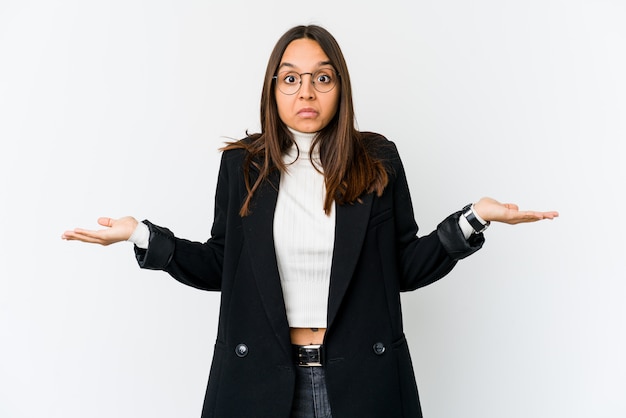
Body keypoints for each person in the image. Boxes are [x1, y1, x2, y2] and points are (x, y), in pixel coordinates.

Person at [62, 24, 558, 418]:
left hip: (363, 381)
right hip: (259, 381)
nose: (306, 92)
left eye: (322, 77)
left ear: (339, 87)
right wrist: (141, 235)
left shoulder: (377, 158)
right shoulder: (243, 166)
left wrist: (472, 220)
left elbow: (403, 268)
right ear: (273, 88)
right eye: (291, 78)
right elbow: (221, 265)